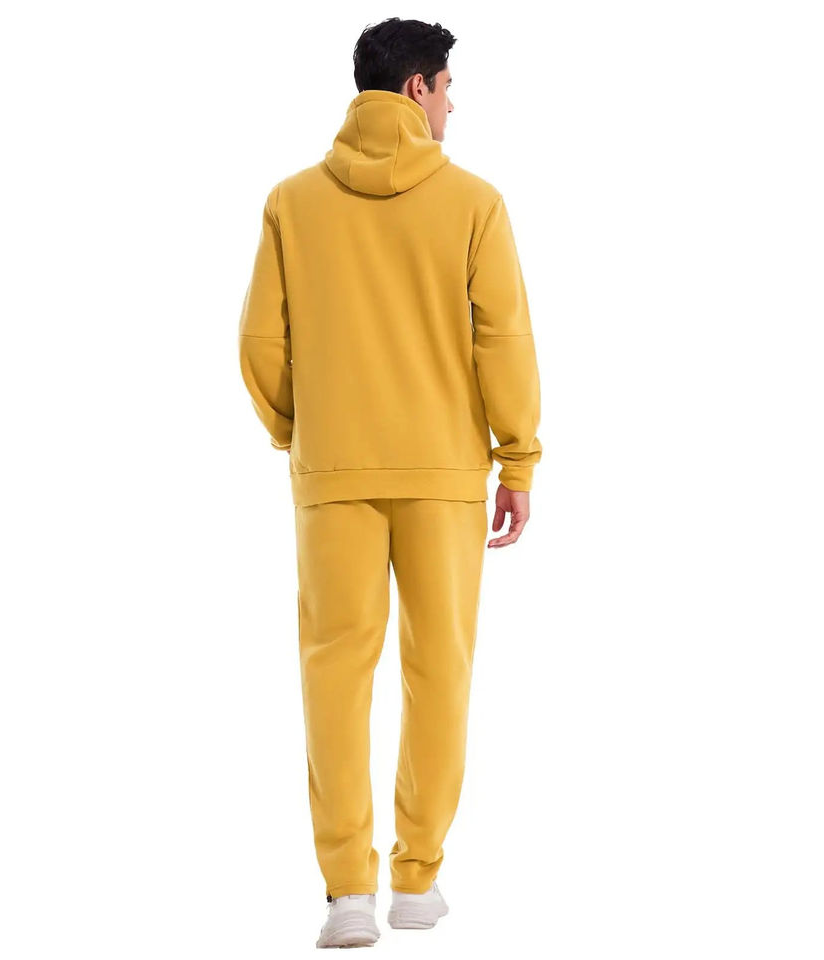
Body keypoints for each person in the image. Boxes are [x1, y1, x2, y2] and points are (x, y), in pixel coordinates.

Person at [237, 17, 543, 948]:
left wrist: (303, 432)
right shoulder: (475, 203)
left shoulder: (292, 201)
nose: (453, 105)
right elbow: (504, 339)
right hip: (445, 474)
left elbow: (260, 342)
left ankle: (346, 896)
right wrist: (518, 458)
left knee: (334, 674)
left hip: (334, 473)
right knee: (439, 669)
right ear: (417, 88)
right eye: (447, 87)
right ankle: (417, 881)